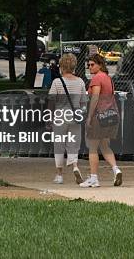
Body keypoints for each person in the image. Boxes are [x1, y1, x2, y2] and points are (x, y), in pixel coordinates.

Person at [79, 54, 123, 187]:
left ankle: (94, 178)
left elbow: (95, 98)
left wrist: (89, 117)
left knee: (92, 147)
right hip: (111, 115)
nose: (90, 67)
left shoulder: (97, 78)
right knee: (104, 145)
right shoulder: (108, 78)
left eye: (92, 64)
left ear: (100, 64)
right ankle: (116, 170)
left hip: (99, 117)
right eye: (88, 65)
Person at [48, 53, 86, 185]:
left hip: (60, 118)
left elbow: (51, 102)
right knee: (73, 145)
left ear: (61, 66)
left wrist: (49, 118)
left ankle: (59, 175)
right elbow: (83, 102)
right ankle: (75, 166)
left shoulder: (57, 82)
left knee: (59, 146)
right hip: (75, 118)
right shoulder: (80, 82)